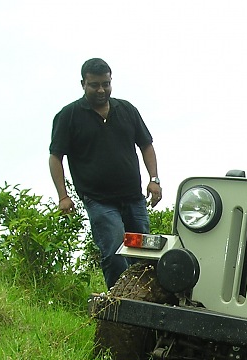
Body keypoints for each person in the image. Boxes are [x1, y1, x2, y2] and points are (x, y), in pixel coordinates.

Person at [49, 57, 163, 289]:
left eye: (106, 84)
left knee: (143, 252)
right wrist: (63, 196)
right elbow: (56, 157)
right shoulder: (69, 116)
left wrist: (154, 179)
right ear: (83, 84)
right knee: (114, 250)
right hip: (99, 201)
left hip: (133, 197)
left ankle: (147, 298)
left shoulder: (127, 109)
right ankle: (119, 302)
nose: (101, 90)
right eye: (94, 85)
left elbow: (146, 145)